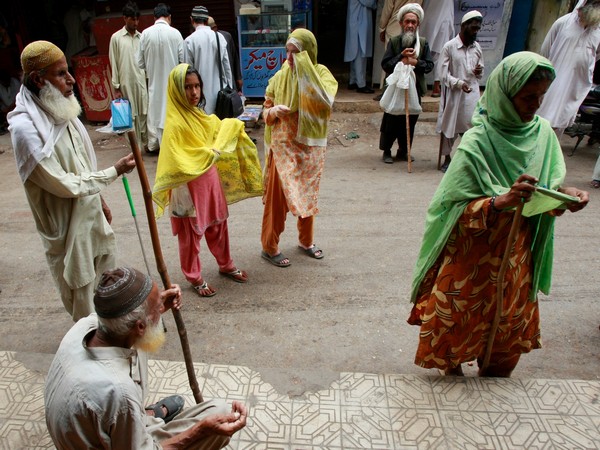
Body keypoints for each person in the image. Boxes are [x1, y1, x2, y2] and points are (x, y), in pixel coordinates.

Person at [408, 52, 590, 378]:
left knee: (503, 355)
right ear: (505, 94)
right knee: (454, 349)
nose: (535, 104)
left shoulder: (543, 135)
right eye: (527, 96)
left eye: (541, 96)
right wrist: (501, 201)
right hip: (470, 262)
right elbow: (448, 212)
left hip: (516, 264)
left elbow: (547, 188)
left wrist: (566, 195)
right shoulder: (477, 143)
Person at [45, 266, 248, 448]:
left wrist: (156, 307)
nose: (161, 307)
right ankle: (137, 422)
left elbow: (130, 325)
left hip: (101, 427)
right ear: (140, 326)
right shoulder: (119, 392)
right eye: (156, 307)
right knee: (220, 417)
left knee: (137, 345)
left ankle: (143, 418)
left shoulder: (85, 327)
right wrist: (201, 430)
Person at [7, 41, 136, 321]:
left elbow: (82, 165)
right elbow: (64, 183)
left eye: (69, 72)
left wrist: (99, 200)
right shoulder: (25, 130)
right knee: (83, 300)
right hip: (66, 228)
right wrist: (113, 171)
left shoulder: (63, 110)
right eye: (61, 74)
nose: (71, 80)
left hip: (91, 217)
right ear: (38, 79)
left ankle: (110, 335)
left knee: (107, 285)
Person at [152, 64, 262, 297]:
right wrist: (208, 152)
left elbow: (217, 127)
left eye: (197, 86)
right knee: (190, 235)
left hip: (209, 181)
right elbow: (177, 158)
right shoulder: (174, 123)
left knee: (218, 224)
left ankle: (226, 264)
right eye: (188, 87)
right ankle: (194, 277)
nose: (194, 93)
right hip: (186, 188)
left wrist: (234, 124)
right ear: (176, 91)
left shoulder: (199, 115)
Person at [260, 29, 338, 267]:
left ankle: (306, 241)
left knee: (306, 193)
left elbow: (326, 101)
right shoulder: (280, 75)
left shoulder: (321, 74)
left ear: (308, 53)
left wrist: (307, 75)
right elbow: (265, 109)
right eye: (288, 51)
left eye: (296, 53)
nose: (290, 59)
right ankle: (269, 246)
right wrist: (272, 112)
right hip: (282, 145)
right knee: (277, 198)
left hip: (309, 147)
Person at [379, 3, 433, 164]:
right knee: (390, 120)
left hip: (414, 90)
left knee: (410, 121)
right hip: (395, 89)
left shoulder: (422, 43)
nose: (410, 25)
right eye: (407, 21)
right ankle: (387, 151)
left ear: (418, 25)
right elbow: (386, 64)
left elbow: (429, 66)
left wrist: (416, 62)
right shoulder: (395, 42)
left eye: (413, 22)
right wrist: (400, 58)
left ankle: (403, 151)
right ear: (401, 23)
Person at [537, 0, 600, 137]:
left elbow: (596, 56)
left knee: (558, 129)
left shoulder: (598, 32)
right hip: (552, 84)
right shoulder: (563, 23)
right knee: (541, 123)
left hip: (575, 88)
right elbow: (545, 52)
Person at [435, 10, 484, 172]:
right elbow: (442, 74)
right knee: (449, 126)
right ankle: (447, 158)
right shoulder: (450, 47)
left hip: (472, 94)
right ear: (464, 26)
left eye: (478, 28)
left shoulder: (477, 47)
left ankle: (467, 159)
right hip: (454, 94)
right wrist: (458, 83)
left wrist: (478, 71)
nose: (475, 31)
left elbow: (481, 69)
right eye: (473, 28)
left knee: (471, 127)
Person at [138, 3, 184, 153]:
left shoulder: (145, 34)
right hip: (173, 83)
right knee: (172, 113)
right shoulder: (175, 33)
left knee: (156, 115)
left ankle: (158, 146)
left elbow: (139, 62)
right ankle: (173, 146)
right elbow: (183, 61)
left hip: (154, 83)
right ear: (169, 17)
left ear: (154, 18)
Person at [109, 1, 149, 151]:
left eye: (137, 19)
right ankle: (135, 148)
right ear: (125, 18)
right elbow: (114, 62)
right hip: (125, 84)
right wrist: (116, 87)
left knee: (144, 114)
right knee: (130, 117)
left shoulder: (142, 37)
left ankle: (144, 144)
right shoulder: (116, 38)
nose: (136, 23)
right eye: (133, 19)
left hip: (141, 83)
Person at [184, 6, 232, 115]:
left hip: (199, 97)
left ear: (191, 20)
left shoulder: (189, 41)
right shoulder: (219, 37)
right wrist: (229, 89)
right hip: (220, 97)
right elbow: (227, 68)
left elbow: (187, 73)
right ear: (207, 20)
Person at [376, 0, 423, 96]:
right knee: (392, 61)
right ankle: (389, 93)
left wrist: (382, 28)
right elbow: (387, 64)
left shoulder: (423, 42)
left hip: (394, 25)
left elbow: (387, 9)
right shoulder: (395, 40)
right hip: (402, 26)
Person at [420, 0, 455, 97]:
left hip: (428, 19)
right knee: (439, 54)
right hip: (442, 21)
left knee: (423, 52)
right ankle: (436, 87)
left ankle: (427, 85)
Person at [344, 0, 377, 94]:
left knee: (354, 54)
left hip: (357, 21)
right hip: (359, 23)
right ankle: (361, 84)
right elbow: (369, 2)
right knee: (360, 53)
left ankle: (353, 80)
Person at [207, 16, 243, 93]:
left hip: (229, 78)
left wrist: (238, 77)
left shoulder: (226, 36)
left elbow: (234, 57)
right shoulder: (205, 40)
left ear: (215, 27)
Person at [0, 69, 19, 134]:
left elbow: (17, 99)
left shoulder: (15, 83)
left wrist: (9, 109)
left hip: (16, 107)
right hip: (5, 108)